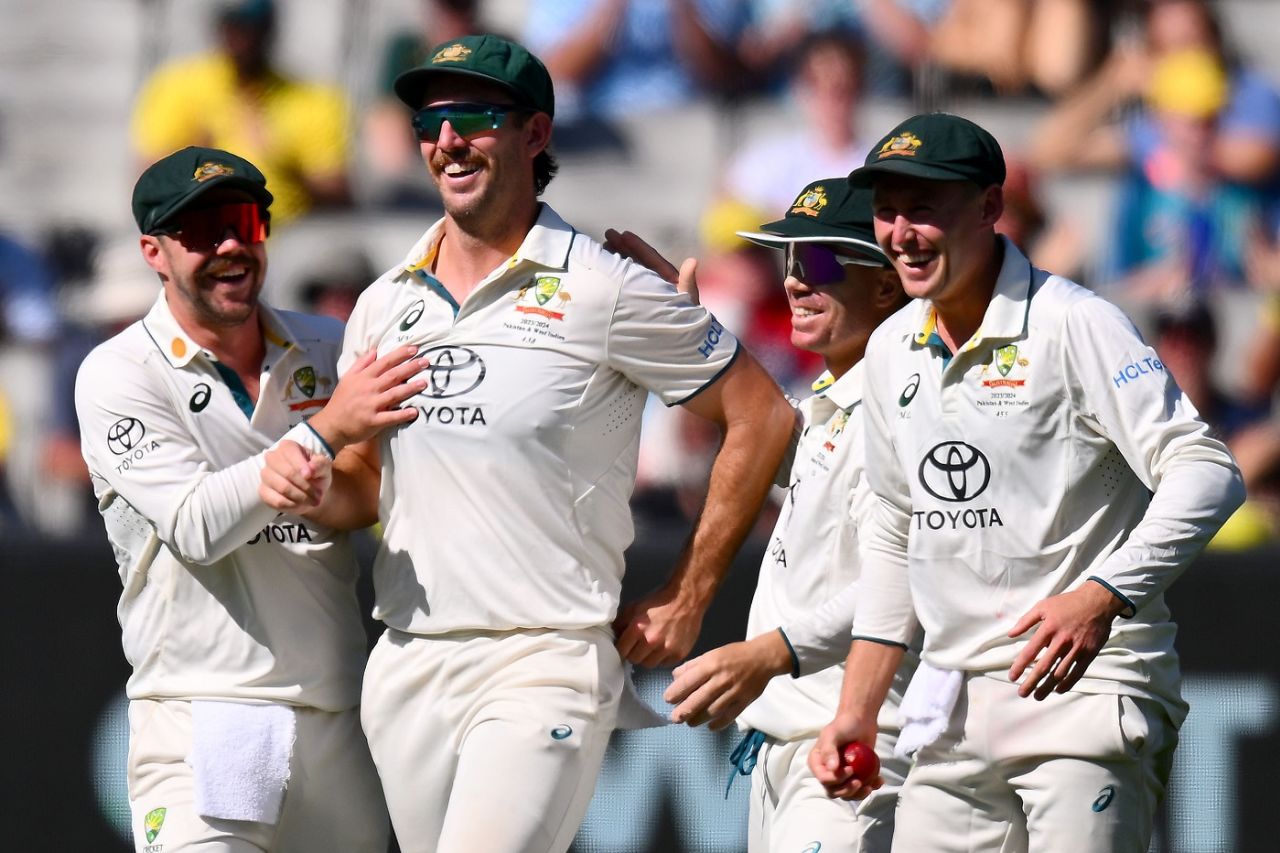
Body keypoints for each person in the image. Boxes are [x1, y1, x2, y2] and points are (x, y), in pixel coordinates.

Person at [257, 34, 796, 852]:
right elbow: (368, 483)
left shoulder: (605, 285)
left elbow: (764, 418)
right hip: (409, 659)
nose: (447, 141)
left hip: (545, 659)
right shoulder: (382, 301)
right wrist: (322, 490)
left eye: (473, 117)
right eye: (430, 121)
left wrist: (688, 592)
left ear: (535, 135)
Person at [807, 113, 1245, 853]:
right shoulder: (889, 349)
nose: (902, 231)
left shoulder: (1075, 322)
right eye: (887, 208)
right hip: (951, 716)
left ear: (987, 207)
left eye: (925, 207)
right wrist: (858, 705)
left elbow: (1207, 472)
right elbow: (894, 531)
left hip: (1086, 696)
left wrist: (1103, 594)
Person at [74, 146, 425, 851]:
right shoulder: (118, 373)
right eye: (201, 231)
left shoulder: (330, 345)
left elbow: (380, 491)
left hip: (339, 717)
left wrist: (328, 485)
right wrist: (326, 432)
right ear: (154, 251)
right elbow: (197, 524)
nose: (230, 245)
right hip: (210, 712)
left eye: (242, 221)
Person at [642, 179, 919, 852]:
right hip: (788, 749)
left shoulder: (905, 410)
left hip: (851, 748)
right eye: (789, 261)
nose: (795, 281)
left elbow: (906, 583)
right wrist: (691, 344)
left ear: (885, 288)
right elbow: (770, 445)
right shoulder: (835, 396)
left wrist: (768, 654)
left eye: (820, 263)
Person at [130, 0, 352, 225]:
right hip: (197, 228)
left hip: (284, 233)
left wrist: (283, 161)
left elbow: (338, 196)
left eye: (251, 27)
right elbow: (150, 183)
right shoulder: (177, 86)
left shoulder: (311, 98)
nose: (242, 39)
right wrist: (196, 159)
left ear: (269, 29)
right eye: (233, 25)